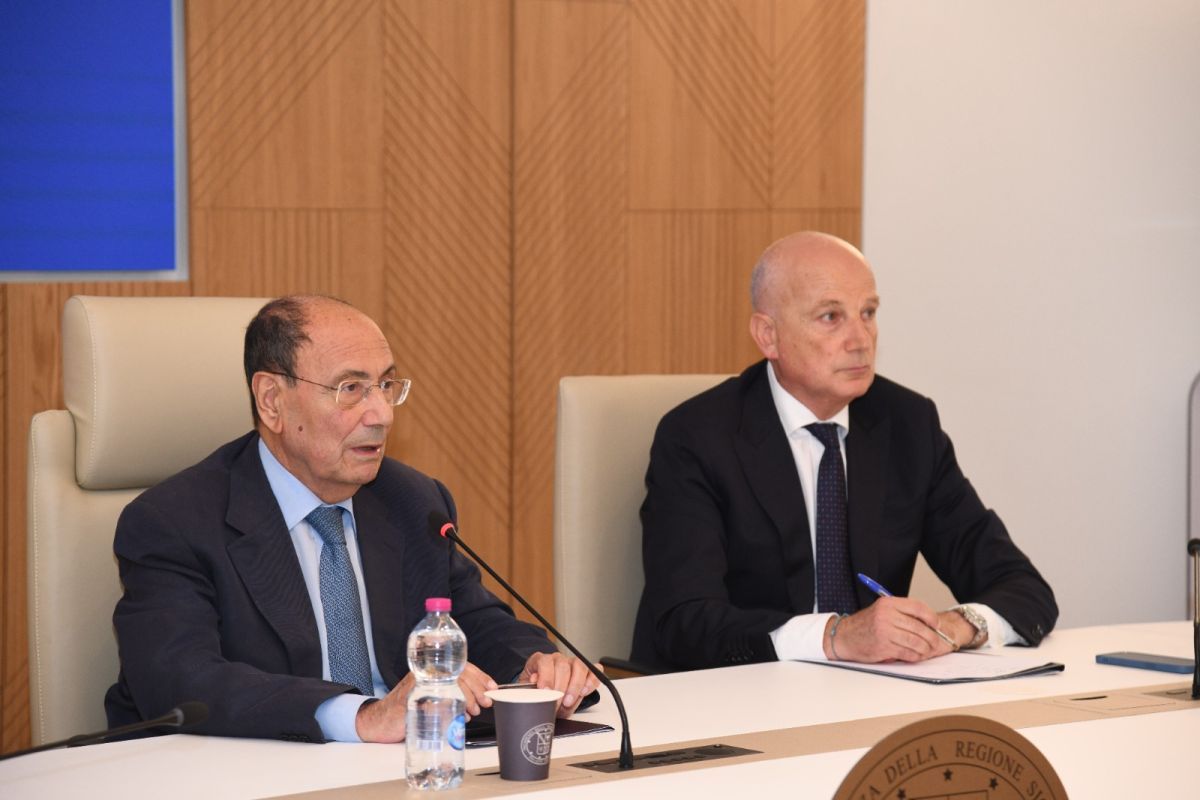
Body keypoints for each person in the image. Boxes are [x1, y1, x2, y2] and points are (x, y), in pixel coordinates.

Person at [105, 295, 598, 743]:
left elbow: (472, 620)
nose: (381, 414)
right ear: (272, 400)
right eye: (351, 388)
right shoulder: (174, 522)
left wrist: (532, 665)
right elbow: (179, 679)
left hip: (405, 771)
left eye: (385, 385)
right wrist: (361, 716)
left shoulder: (412, 501)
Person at [631, 232, 1057, 672]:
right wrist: (836, 636)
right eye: (831, 317)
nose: (860, 339)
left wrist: (954, 626)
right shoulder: (698, 437)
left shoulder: (907, 424)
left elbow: (1024, 590)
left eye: (868, 313)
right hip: (737, 691)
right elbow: (685, 623)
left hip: (871, 693)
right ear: (768, 335)